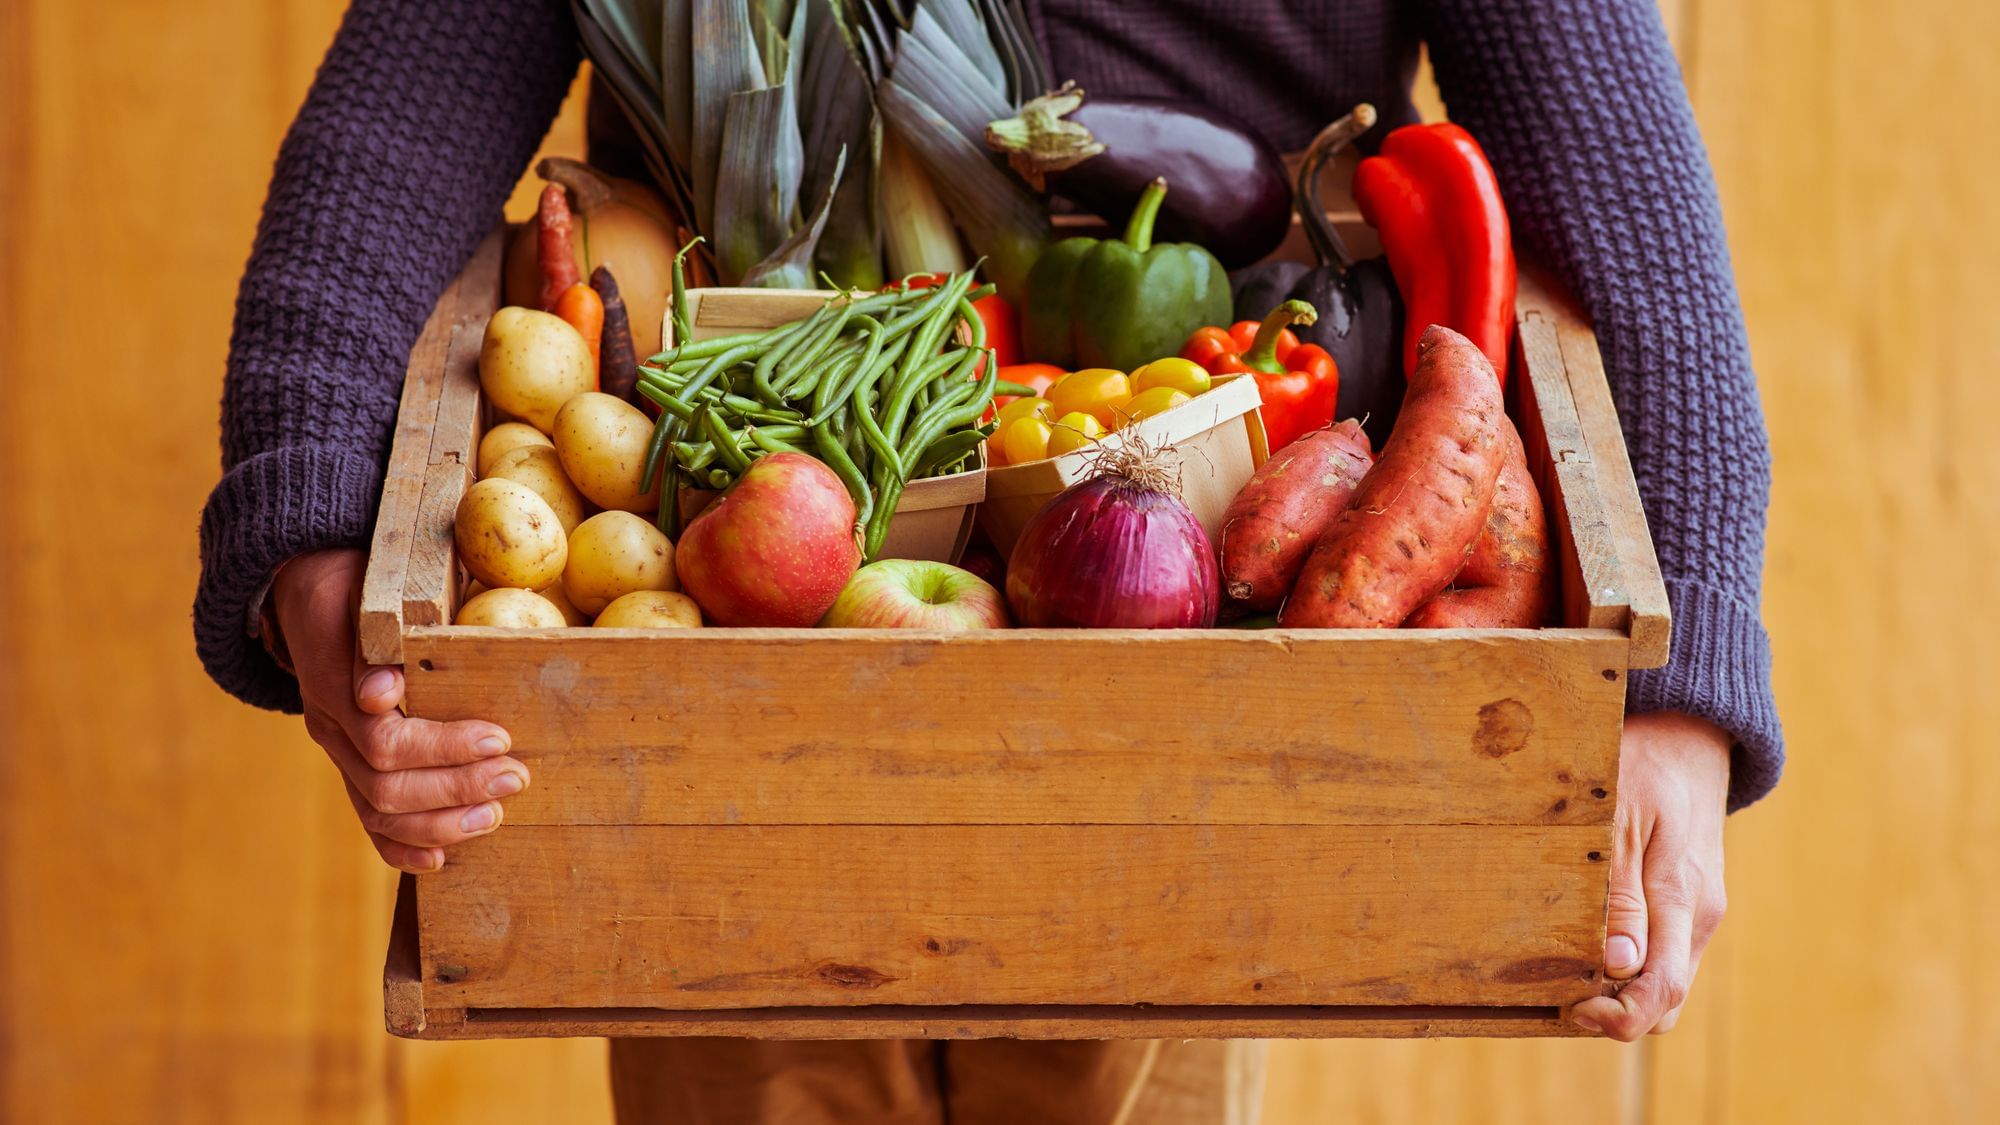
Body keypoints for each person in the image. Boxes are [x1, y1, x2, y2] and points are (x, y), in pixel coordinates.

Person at [195, 0, 1780, 1119]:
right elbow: (385, 142)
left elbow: (1621, 188)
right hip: (721, 590)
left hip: (1210, 629)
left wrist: (1684, 682)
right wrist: (318, 536)